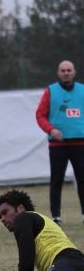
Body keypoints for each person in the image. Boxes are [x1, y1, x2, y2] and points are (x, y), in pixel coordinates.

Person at [35, 60, 84, 225]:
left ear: (74, 72)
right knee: (56, 180)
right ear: (58, 72)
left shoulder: (82, 91)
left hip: (80, 144)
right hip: (58, 146)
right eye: (63, 70)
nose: (66, 73)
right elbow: (40, 115)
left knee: (82, 179)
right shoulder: (50, 91)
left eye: (69, 70)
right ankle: (56, 216)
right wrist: (51, 130)